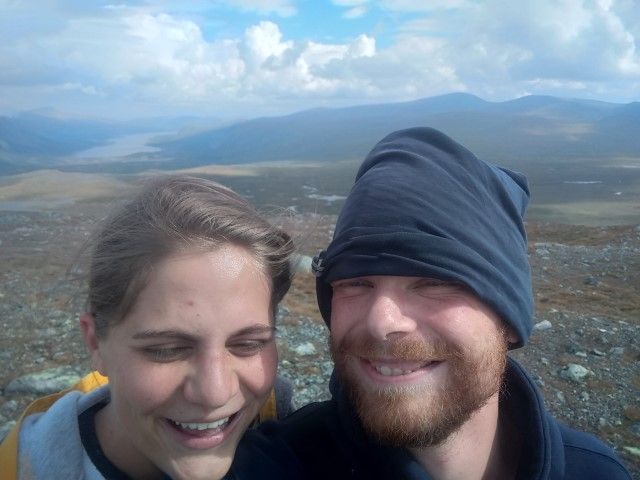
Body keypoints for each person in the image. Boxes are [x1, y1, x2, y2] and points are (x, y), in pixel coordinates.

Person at [235, 127, 631, 479]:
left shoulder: (597, 472)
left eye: (434, 283)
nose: (381, 321)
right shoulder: (278, 463)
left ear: (508, 318)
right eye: (356, 282)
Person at [0, 175, 295, 480]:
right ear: (95, 342)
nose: (214, 393)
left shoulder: (291, 430)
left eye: (248, 344)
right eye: (167, 350)